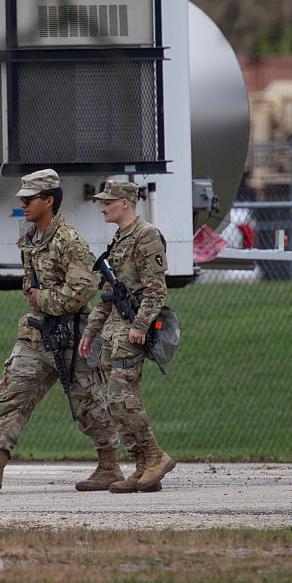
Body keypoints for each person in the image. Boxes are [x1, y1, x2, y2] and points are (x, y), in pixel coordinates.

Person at [0, 169, 122, 492]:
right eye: (22, 199)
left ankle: (110, 464)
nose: (24, 204)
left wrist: (42, 299)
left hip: (71, 337)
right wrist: (37, 301)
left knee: (89, 403)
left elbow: (84, 289)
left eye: (29, 199)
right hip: (37, 335)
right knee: (13, 392)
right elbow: (30, 286)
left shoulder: (69, 241)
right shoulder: (31, 239)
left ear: (49, 201)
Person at [79, 180, 175, 493]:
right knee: (115, 400)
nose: (103, 208)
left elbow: (156, 289)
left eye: (108, 202)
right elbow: (109, 292)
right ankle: (142, 468)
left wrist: (141, 325)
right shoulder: (120, 238)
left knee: (122, 397)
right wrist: (91, 331)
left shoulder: (146, 235)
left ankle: (155, 456)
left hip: (131, 330)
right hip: (114, 332)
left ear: (125, 203)